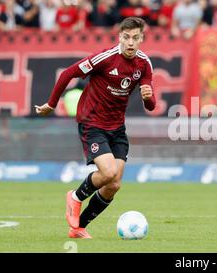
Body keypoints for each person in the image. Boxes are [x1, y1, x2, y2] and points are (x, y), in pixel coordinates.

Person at [35, 17, 156, 239]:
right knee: (108, 172)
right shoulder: (106, 58)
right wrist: (51, 104)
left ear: (142, 39)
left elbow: (151, 105)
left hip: (117, 127)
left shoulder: (144, 64)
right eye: (127, 37)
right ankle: (75, 196)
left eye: (136, 38)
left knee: (114, 184)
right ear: (120, 37)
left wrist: (148, 98)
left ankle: (78, 227)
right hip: (92, 122)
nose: (130, 43)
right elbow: (67, 73)